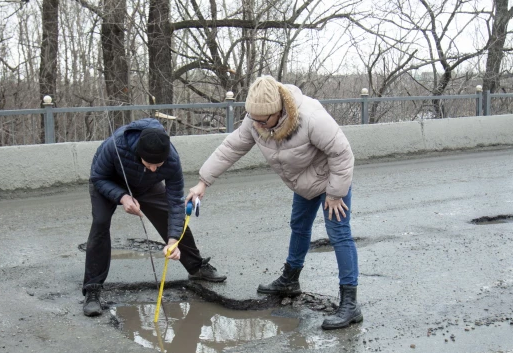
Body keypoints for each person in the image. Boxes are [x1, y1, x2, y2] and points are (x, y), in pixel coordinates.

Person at [186, 76, 362, 330]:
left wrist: (335, 194)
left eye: (262, 120)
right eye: (253, 119)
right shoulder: (256, 120)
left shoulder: (311, 117)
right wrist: (203, 182)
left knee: (339, 233)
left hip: (333, 180)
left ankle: (350, 303)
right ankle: (290, 279)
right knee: (299, 226)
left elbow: (343, 153)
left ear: (278, 110)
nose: (256, 124)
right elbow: (230, 148)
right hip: (304, 181)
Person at [82, 118, 226, 317]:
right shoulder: (115, 146)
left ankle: (196, 267)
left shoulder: (171, 159)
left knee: (168, 214)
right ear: (139, 154)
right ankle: (92, 289)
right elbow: (98, 177)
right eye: (149, 163)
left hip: (146, 186)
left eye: (159, 165)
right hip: (109, 181)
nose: (154, 169)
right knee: (100, 223)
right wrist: (123, 197)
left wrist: (173, 241)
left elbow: (176, 201)